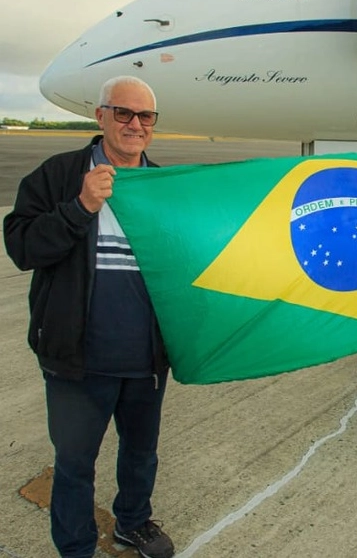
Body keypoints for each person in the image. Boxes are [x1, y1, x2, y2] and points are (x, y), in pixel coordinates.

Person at [3, 76, 175, 558]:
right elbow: (22, 246)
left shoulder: (162, 186)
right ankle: (76, 547)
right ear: (100, 117)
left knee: (140, 454)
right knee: (75, 462)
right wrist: (80, 207)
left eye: (145, 117)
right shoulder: (58, 175)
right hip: (77, 358)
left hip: (145, 359)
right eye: (123, 113)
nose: (135, 125)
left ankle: (132, 523)